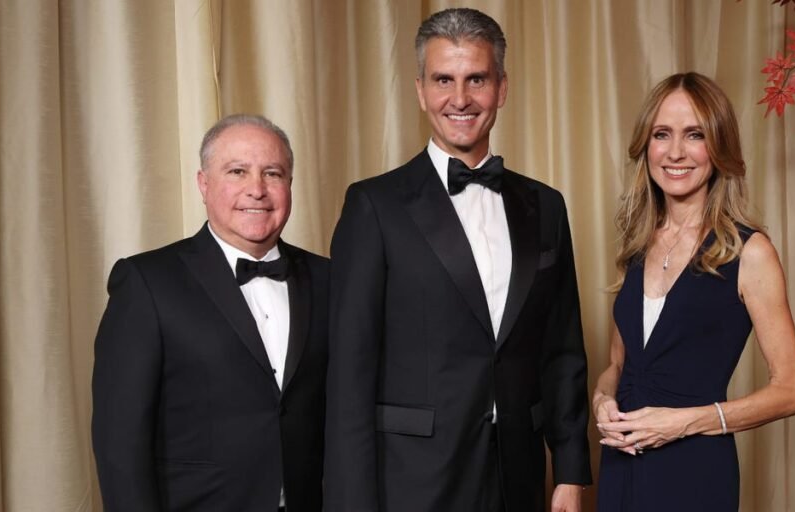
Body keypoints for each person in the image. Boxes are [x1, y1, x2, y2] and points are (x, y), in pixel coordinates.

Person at [324, 7, 591, 512]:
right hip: (412, 483)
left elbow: (563, 352)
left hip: (518, 479)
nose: (460, 99)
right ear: (420, 90)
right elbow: (349, 377)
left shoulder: (546, 206)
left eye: (477, 79)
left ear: (502, 88)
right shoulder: (374, 206)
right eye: (443, 79)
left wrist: (572, 472)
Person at [593, 72, 795, 511]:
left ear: (719, 146)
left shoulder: (750, 252)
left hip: (694, 473)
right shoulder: (637, 245)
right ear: (646, 146)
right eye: (662, 134)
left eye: (695, 135)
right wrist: (602, 399)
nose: (675, 152)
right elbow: (618, 362)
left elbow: (792, 390)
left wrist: (684, 423)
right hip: (620, 465)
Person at [92, 114, 329, 512]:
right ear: (203, 184)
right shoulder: (147, 282)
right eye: (237, 172)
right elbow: (120, 441)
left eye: (272, 174)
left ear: (290, 184)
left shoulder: (330, 279)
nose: (257, 190)